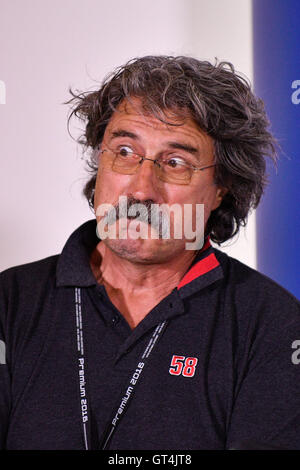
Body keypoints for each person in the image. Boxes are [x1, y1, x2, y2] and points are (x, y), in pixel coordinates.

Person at [0, 55, 299, 451]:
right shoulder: (11, 301)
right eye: (124, 151)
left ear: (220, 188)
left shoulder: (272, 324)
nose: (141, 189)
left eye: (175, 163)